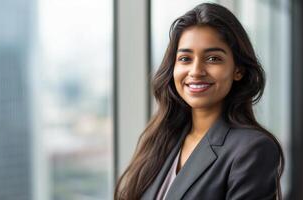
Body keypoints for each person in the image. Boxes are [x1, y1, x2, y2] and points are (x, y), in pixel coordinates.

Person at [114, 3, 284, 200]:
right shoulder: (162, 139)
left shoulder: (252, 149)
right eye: (185, 58)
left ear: (238, 70)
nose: (196, 71)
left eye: (213, 59)